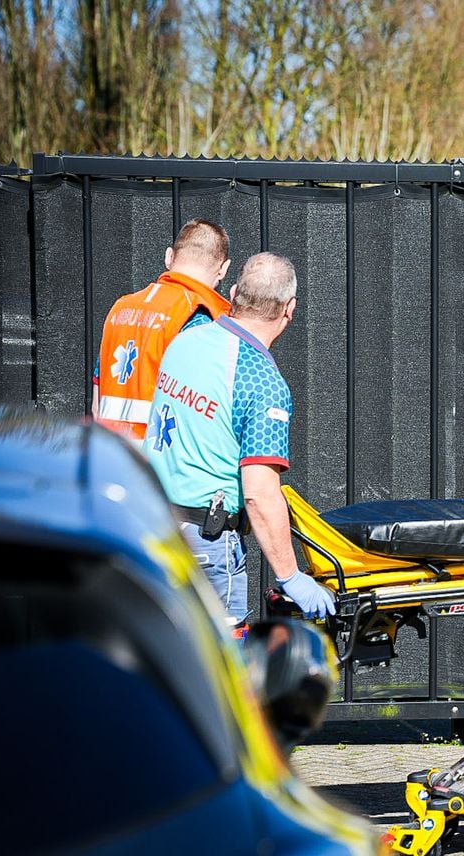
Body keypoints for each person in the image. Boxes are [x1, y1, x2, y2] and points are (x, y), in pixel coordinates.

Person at [141, 251, 335, 625]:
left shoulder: (186, 340)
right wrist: (291, 576)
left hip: (155, 528)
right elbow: (259, 493)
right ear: (289, 309)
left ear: (232, 293)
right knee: (222, 673)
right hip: (206, 545)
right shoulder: (262, 382)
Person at [93, 218, 233, 440]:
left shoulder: (120, 308)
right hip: (158, 460)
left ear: (169, 256)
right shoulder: (199, 317)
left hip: (110, 454)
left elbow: (97, 400)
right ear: (223, 269)